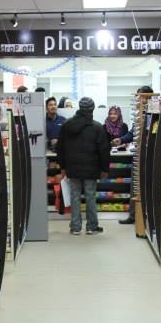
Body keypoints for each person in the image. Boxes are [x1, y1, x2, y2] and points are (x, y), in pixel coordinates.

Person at [57, 97, 109, 235]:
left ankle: (75, 227)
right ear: (92, 109)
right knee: (90, 195)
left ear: (79, 108)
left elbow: (60, 147)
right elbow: (103, 150)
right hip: (91, 168)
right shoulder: (97, 127)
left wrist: (62, 166)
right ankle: (92, 226)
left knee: (74, 196)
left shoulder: (67, 125)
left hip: (72, 167)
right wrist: (104, 168)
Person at [120, 86, 155, 226]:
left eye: (141, 97)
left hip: (151, 158)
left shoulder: (155, 114)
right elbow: (132, 134)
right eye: (138, 98)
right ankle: (133, 216)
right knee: (135, 187)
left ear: (148, 98)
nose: (138, 100)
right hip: (138, 157)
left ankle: (147, 217)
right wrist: (121, 140)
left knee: (148, 188)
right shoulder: (139, 115)